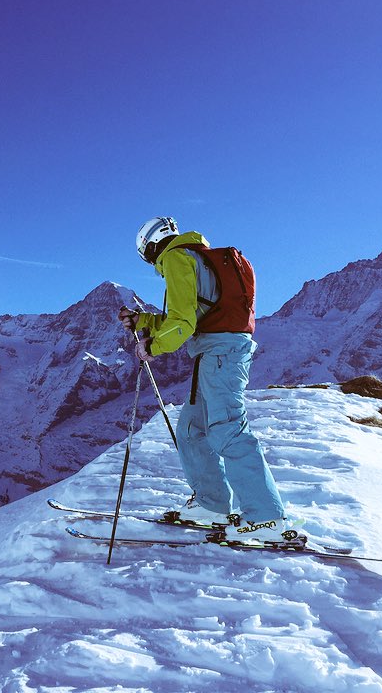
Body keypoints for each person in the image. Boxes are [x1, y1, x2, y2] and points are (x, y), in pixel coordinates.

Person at [118, 216, 299, 544]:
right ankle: (213, 505)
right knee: (191, 431)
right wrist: (144, 320)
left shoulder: (176, 258)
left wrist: (152, 347)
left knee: (227, 429)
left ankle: (266, 517)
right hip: (215, 352)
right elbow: (194, 313)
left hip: (220, 354)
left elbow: (183, 323)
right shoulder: (199, 257)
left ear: (150, 246)